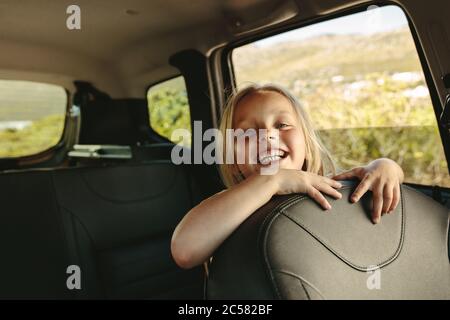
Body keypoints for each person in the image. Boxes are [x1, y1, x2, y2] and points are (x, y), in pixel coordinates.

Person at [171, 83, 404, 269]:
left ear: (307, 143)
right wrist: (273, 179)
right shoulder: (231, 205)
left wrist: (385, 166)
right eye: (248, 132)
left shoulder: (328, 186)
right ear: (233, 163)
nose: (267, 136)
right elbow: (184, 250)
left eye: (282, 125)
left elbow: (387, 176)